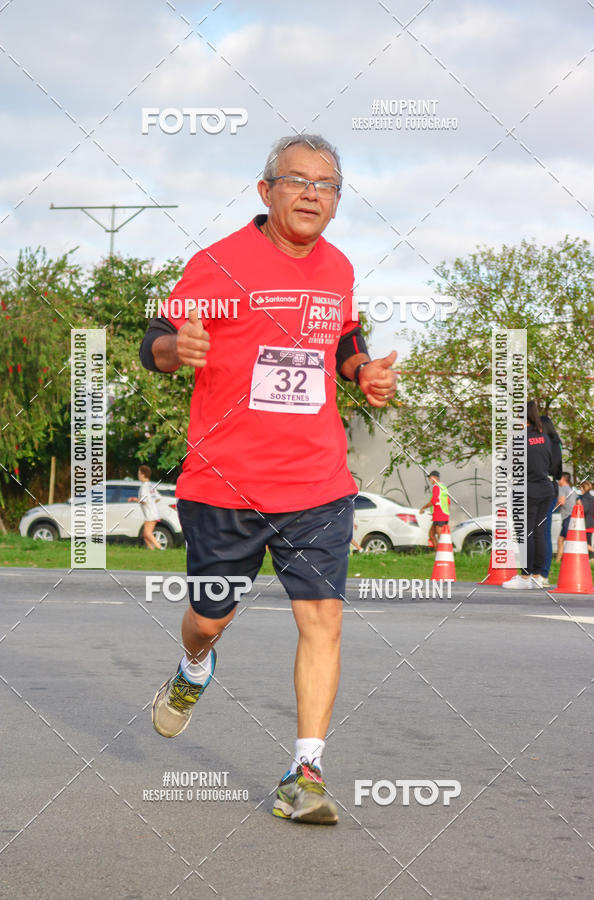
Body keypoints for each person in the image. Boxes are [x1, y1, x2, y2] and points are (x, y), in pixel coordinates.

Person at [139, 134, 398, 825]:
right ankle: (194, 669)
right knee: (207, 620)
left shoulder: (338, 268)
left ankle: (304, 773)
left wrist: (360, 372)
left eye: (329, 185)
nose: (314, 193)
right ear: (267, 191)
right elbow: (155, 340)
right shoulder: (219, 263)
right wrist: (175, 348)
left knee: (323, 619)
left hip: (316, 480)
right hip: (226, 483)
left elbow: (342, 337)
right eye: (299, 181)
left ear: (337, 202)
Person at [503, 401, 555, 589]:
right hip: (545, 489)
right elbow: (550, 462)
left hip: (526, 490)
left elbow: (505, 466)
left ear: (521, 418)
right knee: (539, 533)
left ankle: (525, 578)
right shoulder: (545, 438)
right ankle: (537, 576)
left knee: (526, 534)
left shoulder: (520, 439)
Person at [539, 414, 562, 587]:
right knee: (538, 531)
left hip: (545, 487)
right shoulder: (556, 443)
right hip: (549, 487)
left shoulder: (549, 443)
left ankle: (543, 573)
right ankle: (537, 572)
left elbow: (555, 470)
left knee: (542, 532)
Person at [128, 465, 162, 550]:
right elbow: (158, 498)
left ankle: (160, 548)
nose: (138, 475)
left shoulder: (144, 487)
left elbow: (144, 500)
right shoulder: (150, 485)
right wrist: (152, 503)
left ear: (143, 474)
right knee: (145, 534)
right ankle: (152, 550)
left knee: (147, 533)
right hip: (152, 511)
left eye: (139, 473)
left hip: (150, 513)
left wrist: (134, 499)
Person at [419, 471, 449, 550]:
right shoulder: (443, 487)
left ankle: (445, 552)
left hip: (440, 515)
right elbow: (448, 502)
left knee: (441, 536)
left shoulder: (436, 487)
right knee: (431, 534)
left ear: (435, 478)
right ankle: (438, 552)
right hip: (442, 514)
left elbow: (434, 501)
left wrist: (423, 508)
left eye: (430, 477)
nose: (429, 479)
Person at [555, 472, 576, 565]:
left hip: (567, 517)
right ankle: (559, 561)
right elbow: (578, 503)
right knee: (562, 540)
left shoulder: (563, 488)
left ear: (563, 478)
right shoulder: (572, 490)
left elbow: (562, 502)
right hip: (572, 517)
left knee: (565, 540)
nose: (557, 481)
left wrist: (552, 507)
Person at [578, 481, 594, 558]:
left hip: (587, 524)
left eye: (580, 487)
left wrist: (579, 504)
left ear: (583, 488)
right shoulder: (591, 497)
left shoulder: (585, 498)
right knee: (587, 541)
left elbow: (584, 509)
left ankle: (593, 554)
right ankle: (590, 557)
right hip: (591, 523)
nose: (580, 489)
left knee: (586, 542)